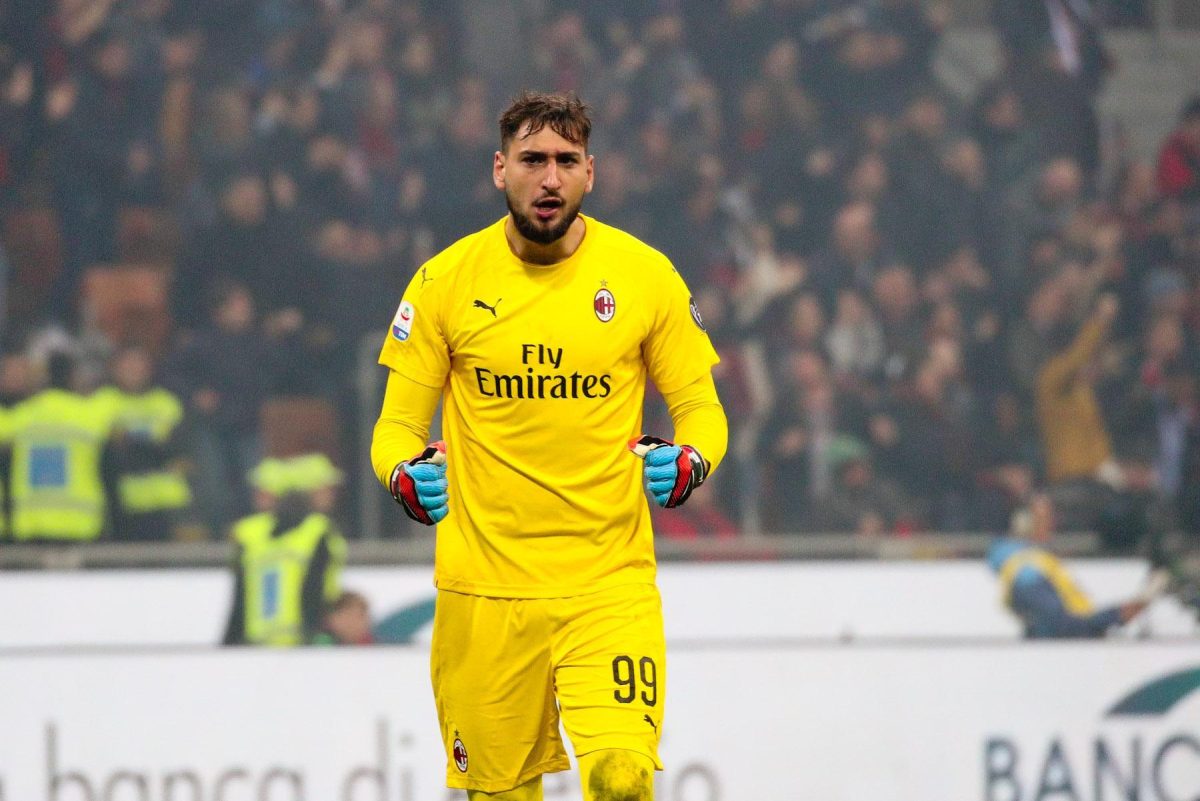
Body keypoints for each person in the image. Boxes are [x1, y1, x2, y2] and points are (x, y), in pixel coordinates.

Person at [370, 91, 728, 801]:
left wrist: (692, 461)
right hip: (485, 593)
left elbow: (701, 411)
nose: (550, 178)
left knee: (622, 779)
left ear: (591, 172)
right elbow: (395, 428)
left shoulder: (644, 276)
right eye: (533, 160)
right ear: (500, 169)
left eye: (567, 160)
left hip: (608, 585)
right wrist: (403, 475)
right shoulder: (444, 282)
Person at [986, 492, 1168, 638]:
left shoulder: (1037, 563)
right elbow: (1063, 626)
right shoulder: (1027, 571)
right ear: (1024, 523)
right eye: (1044, 518)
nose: (1052, 525)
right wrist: (1120, 614)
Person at [222, 453, 347, 647]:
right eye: (325, 488)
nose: (331, 494)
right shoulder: (317, 531)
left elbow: (240, 599)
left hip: (256, 642)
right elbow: (315, 591)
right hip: (301, 640)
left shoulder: (249, 533)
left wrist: (228, 644)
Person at [5, 351, 114, 542]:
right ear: (73, 376)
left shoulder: (23, 415)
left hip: (32, 525)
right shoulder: (90, 415)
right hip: (81, 524)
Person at [93, 346, 192, 542]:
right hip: (120, 504)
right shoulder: (101, 402)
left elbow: (178, 449)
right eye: (127, 365)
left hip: (167, 504)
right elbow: (102, 452)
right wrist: (150, 447)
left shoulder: (166, 402)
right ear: (114, 368)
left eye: (139, 364)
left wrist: (128, 441)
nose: (133, 370)